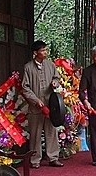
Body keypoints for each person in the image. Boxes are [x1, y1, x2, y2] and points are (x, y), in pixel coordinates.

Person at [22, 40, 64, 169]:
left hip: (51, 105)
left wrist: (55, 83)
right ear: (35, 53)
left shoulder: (50, 65)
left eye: (46, 50)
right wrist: (36, 101)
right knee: (35, 134)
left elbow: (56, 78)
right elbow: (25, 88)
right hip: (35, 107)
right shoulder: (28, 67)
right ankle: (35, 160)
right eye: (43, 50)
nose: (45, 52)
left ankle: (53, 158)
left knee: (51, 132)